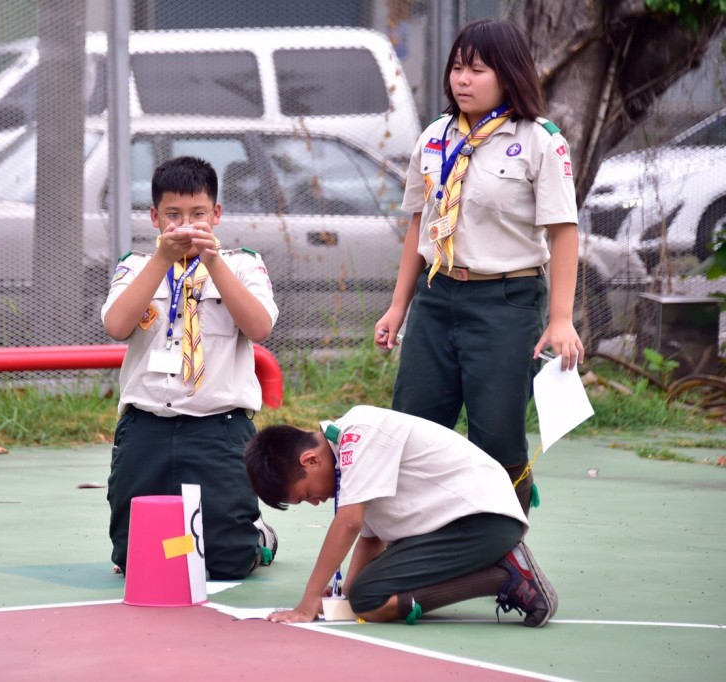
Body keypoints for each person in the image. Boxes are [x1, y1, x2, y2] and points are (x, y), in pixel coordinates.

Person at [373, 19, 584, 515]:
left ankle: (504, 550)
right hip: (437, 296)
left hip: (505, 303)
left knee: (498, 436)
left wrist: (560, 318)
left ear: (507, 75)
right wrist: (397, 307)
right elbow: (419, 228)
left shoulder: (539, 141)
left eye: (477, 70)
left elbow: (563, 231)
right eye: (457, 69)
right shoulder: (433, 139)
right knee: (413, 426)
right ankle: (418, 541)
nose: (462, 80)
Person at [102, 155, 280, 579]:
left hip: (218, 426)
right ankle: (182, 540)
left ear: (216, 214)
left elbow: (259, 328)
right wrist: (161, 260)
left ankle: (259, 536)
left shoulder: (243, 264)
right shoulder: (135, 266)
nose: (186, 225)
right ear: (154, 217)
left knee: (227, 563)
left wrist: (213, 262)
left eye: (198, 214)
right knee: (134, 561)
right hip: (148, 425)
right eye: (173, 215)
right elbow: (116, 325)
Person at [244, 405, 557, 627]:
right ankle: (505, 569)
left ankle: (505, 575)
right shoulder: (345, 457)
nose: (315, 503)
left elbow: (350, 522)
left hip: (483, 521)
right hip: (470, 524)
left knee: (369, 601)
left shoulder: (357, 434)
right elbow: (370, 537)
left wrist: (307, 603)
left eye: (307, 495)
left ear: (310, 460)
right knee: (360, 599)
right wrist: (344, 595)